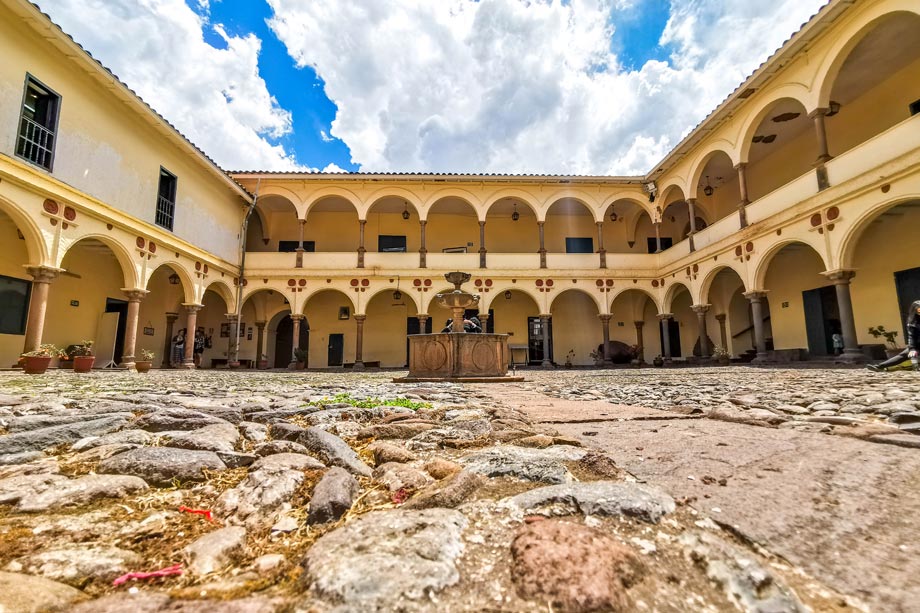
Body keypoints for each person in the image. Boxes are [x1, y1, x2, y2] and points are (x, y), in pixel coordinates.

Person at [867, 300, 920, 372]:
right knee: (904, 354)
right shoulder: (912, 324)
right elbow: (912, 336)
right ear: (915, 311)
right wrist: (912, 348)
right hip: (918, 345)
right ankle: (880, 367)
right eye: (919, 309)